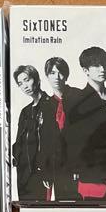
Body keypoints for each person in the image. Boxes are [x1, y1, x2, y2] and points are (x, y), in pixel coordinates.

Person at [66, 46, 106, 200]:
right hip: (92, 176)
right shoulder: (77, 100)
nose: (102, 69)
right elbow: (76, 136)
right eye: (97, 65)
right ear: (85, 71)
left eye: (104, 64)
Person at [13, 63, 62, 199]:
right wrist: (14, 155)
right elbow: (19, 141)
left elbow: (54, 142)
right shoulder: (25, 111)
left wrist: (48, 170)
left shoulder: (51, 105)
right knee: (24, 208)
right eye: (20, 83)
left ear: (37, 79)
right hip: (23, 173)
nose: (24, 86)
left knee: (41, 208)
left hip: (41, 172)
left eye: (27, 80)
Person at [44, 55, 80, 198]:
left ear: (66, 75)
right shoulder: (47, 104)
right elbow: (47, 141)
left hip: (79, 166)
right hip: (58, 168)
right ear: (47, 76)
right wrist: (47, 171)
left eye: (60, 73)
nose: (57, 77)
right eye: (52, 73)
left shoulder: (79, 96)